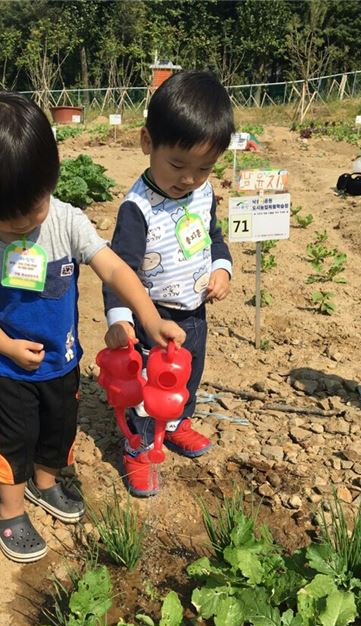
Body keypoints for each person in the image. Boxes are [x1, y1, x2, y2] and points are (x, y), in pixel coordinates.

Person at [0, 91, 185, 563]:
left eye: (30, 210)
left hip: (63, 359)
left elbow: (113, 269)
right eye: (4, 219)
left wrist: (149, 317)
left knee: (59, 430)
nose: (19, 225)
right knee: (16, 438)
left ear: (50, 177)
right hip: (9, 369)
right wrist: (6, 346)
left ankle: (44, 484)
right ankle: (7, 510)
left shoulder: (67, 222)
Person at [103, 70, 235, 498]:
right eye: (177, 165)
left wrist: (222, 268)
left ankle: (176, 424)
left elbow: (215, 238)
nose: (188, 178)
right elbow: (118, 269)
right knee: (146, 388)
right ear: (147, 143)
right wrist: (122, 321)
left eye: (203, 168)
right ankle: (138, 446)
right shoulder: (137, 209)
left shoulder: (203, 193)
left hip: (193, 314)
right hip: (151, 318)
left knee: (187, 376)